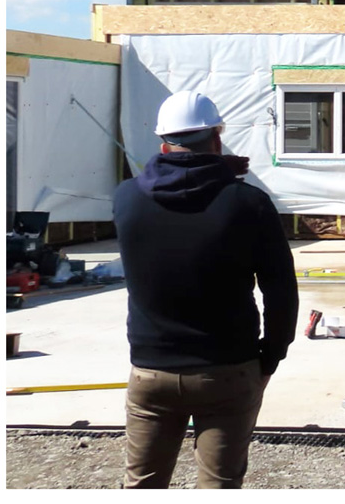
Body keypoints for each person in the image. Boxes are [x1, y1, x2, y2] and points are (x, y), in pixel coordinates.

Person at [113, 90, 299, 489]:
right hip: (228, 369)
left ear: (163, 143)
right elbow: (281, 291)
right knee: (219, 486)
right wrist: (272, 356)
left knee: (141, 486)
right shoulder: (250, 204)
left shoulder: (125, 199)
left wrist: (209, 168)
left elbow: (162, 183)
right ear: (217, 138)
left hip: (151, 370)